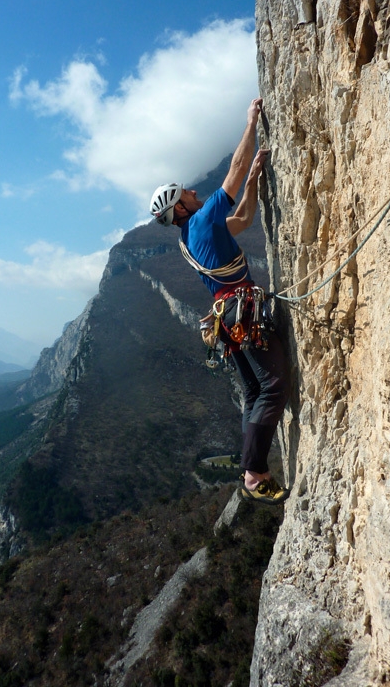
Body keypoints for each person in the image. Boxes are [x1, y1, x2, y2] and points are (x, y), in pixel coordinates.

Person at [149, 98, 290, 505]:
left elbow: (242, 220)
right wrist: (250, 124)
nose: (194, 190)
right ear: (180, 206)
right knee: (274, 386)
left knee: (253, 392)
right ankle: (254, 471)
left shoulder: (189, 237)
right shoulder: (202, 219)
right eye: (186, 191)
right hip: (241, 313)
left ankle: (253, 467)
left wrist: (254, 184)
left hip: (226, 322)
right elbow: (234, 169)